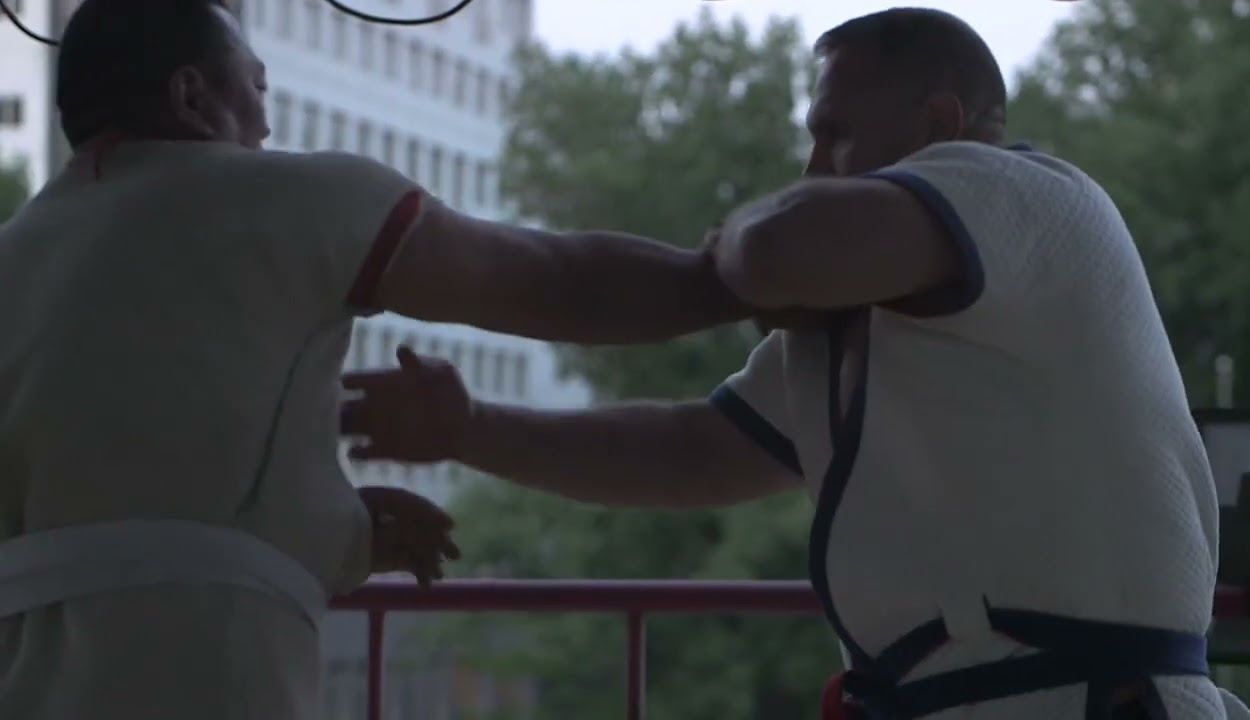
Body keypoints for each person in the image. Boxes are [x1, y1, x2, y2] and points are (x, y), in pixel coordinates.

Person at [339, 8, 1250, 720]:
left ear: (943, 127)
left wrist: (726, 257)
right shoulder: (840, 332)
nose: (814, 163)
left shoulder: (1029, 195)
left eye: (837, 134)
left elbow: (777, 253)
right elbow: (689, 451)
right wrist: (471, 430)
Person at [0, 1, 776, 719]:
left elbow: (115, 505)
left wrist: (338, 531)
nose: (266, 126)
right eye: (256, 88)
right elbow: (559, 285)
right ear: (192, 97)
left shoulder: (14, 255)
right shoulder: (296, 199)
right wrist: (745, 279)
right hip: (214, 680)